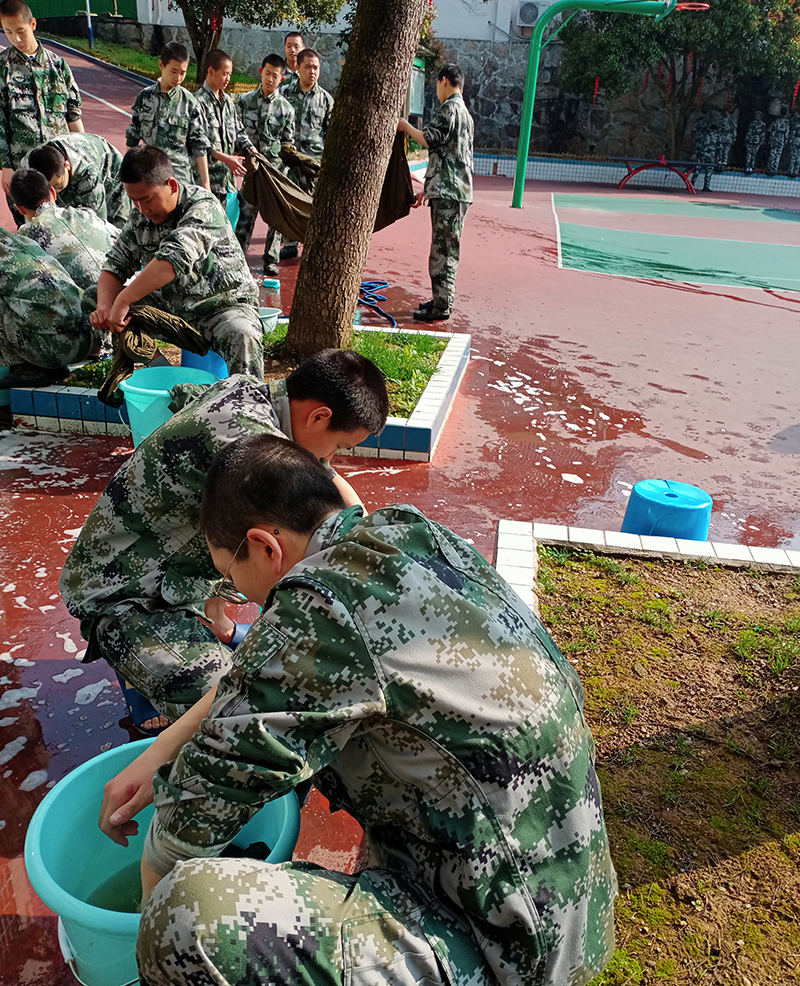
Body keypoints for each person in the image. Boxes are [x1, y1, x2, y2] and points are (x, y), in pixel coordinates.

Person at [98, 433, 616, 986]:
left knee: (183, 917)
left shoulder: (321, 606)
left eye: (230, 579)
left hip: (506, 950)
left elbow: (192, 815)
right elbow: (258, 675)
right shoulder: (403, 534)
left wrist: (145, 916)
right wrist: (157, 754)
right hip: (570, 908)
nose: (237, 596)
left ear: (265, 547)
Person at [60, 351, 388, 731]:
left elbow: (328, 482)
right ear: (319, 416)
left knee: (241, 551)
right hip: (124, 590)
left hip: (172, 563)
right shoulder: (244, 442)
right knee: (240, 710)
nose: (332, 457)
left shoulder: (253, 394)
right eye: (340, 446)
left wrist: (364, 530)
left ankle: (209, 625)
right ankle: (139, 666)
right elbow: (306, 533)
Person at [90, 144, 263, 379]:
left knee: (242, 333)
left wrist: (124, 299)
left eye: (146, 199)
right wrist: (105, 306)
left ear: (171, 185)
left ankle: (247, 397)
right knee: (98, 297)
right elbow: (115, 265)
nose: (141, 208)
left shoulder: (203, 206)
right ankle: (161, 370)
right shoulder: (140, 217)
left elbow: (173, 260)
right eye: (134, 201)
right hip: (176, 308)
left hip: (222, 308)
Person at [398, 63, 474, 323]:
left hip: (449, 193)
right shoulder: (465, 114)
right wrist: (429, 189)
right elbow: (449, 156)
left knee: (443, 252)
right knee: (446, 248)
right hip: (454, 190)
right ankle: (441, 299)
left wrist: (405, 126)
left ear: (443, 81)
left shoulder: (449, 109)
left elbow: (428, 139)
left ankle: (442, 306)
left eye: (437, 84)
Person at [0, 0, 83, 227]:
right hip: (23, 169)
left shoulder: (58, 66)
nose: (16, 39)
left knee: (67, 227)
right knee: (31, 232)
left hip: (58, 168)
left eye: (20, 31)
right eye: (8, 32)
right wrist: (5, 167)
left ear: (33, 24)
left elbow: (73, 115)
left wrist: (79, 155)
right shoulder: (3, 68)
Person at [0, 228, 95, 388]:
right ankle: (46, 366)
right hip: (85, 340)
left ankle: (34, 369)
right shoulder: (21, 241)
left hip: (50, 349)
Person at [235, 53, 295, 275]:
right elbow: (237, 131)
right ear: (261, 72)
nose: (270, 79)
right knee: (246, 215)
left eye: (275, 76)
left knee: (275, 218)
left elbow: (288, 143)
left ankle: (270, 259)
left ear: (282, 79)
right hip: (252, 170)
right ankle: (238, 258)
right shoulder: (245, 101)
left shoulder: (286, 109)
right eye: (267, 73)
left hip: (275, 171)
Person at [11, 167, 117, 289]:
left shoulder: (26, 237)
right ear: (53, 192)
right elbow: (121, 236)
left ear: (20, 209)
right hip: (127, 288)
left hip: (94, 298)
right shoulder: (84, 214)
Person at [126, 42, 211, 190]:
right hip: (150, 176)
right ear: (161, 65)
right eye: (173, 71)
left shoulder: (189, 102)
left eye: (183, 73)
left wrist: (205, 183)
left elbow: (199, 145)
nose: (178, 77)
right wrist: (126, 171)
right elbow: (133, 137)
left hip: (179, 180)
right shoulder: (144, 97)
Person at [279, 47, 333, 260]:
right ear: (298, 68)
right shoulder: (284, 94)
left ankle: (313, 245)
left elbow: (330, 133)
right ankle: (290, 243)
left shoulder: (325, 99)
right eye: (308, 67)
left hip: (314, 162)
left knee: (315, 206)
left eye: (316, 68)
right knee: (290, 203)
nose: (312, 71)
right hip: (289, 160)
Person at [28, 132, 131, 229]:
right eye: (50, 189)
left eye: (57, 186)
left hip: (110, 170)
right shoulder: (28, 168)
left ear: (67, 166)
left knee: (116, 225)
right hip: (74, 172)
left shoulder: (87, 173)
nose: (55, 192)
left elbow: (98, 223)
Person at [193, 48, 254, 208]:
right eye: (224, 74)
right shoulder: (197, 103)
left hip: (228, 183)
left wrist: (250, 148)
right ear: (211, 71)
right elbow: (200, 143)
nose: (228, 79)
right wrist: (226, 159)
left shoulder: (227, 102)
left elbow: (239, 131)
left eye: (230, 74)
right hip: (208, 184)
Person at [767, 107, 789, 175]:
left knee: (773, 152)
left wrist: (770, 139)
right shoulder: (786, 122)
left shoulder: (776, 121)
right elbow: (787, 132)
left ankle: (770, 168)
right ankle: (775, 169)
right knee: (778, 154)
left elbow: (770, 129)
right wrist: (785, 140)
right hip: (781, 138)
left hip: (775, 137)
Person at [715, 108, 737, 172]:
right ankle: (722, 164)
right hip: (728, 138)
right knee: (724, 152)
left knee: (722, 152)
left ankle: (721, 165)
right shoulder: (733, 120)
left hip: (724, 137)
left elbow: (720, 129)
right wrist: (733, 138)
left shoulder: (726, 120)